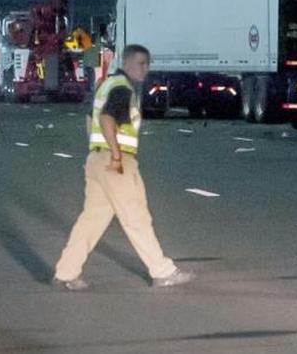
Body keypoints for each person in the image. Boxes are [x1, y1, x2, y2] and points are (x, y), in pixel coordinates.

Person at [52, 44, 194, 290]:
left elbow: (90, 118)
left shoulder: (106, 85)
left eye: (148, 64)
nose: (145, 69)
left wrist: (95, 150)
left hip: (97, 160)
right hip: (115, 162)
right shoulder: (122, 89)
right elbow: (107, 118)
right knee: (136, 216)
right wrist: (116, 156)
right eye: (141, 63)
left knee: (92, 220)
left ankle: (65, 274)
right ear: (127, 63)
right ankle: (162, 272)